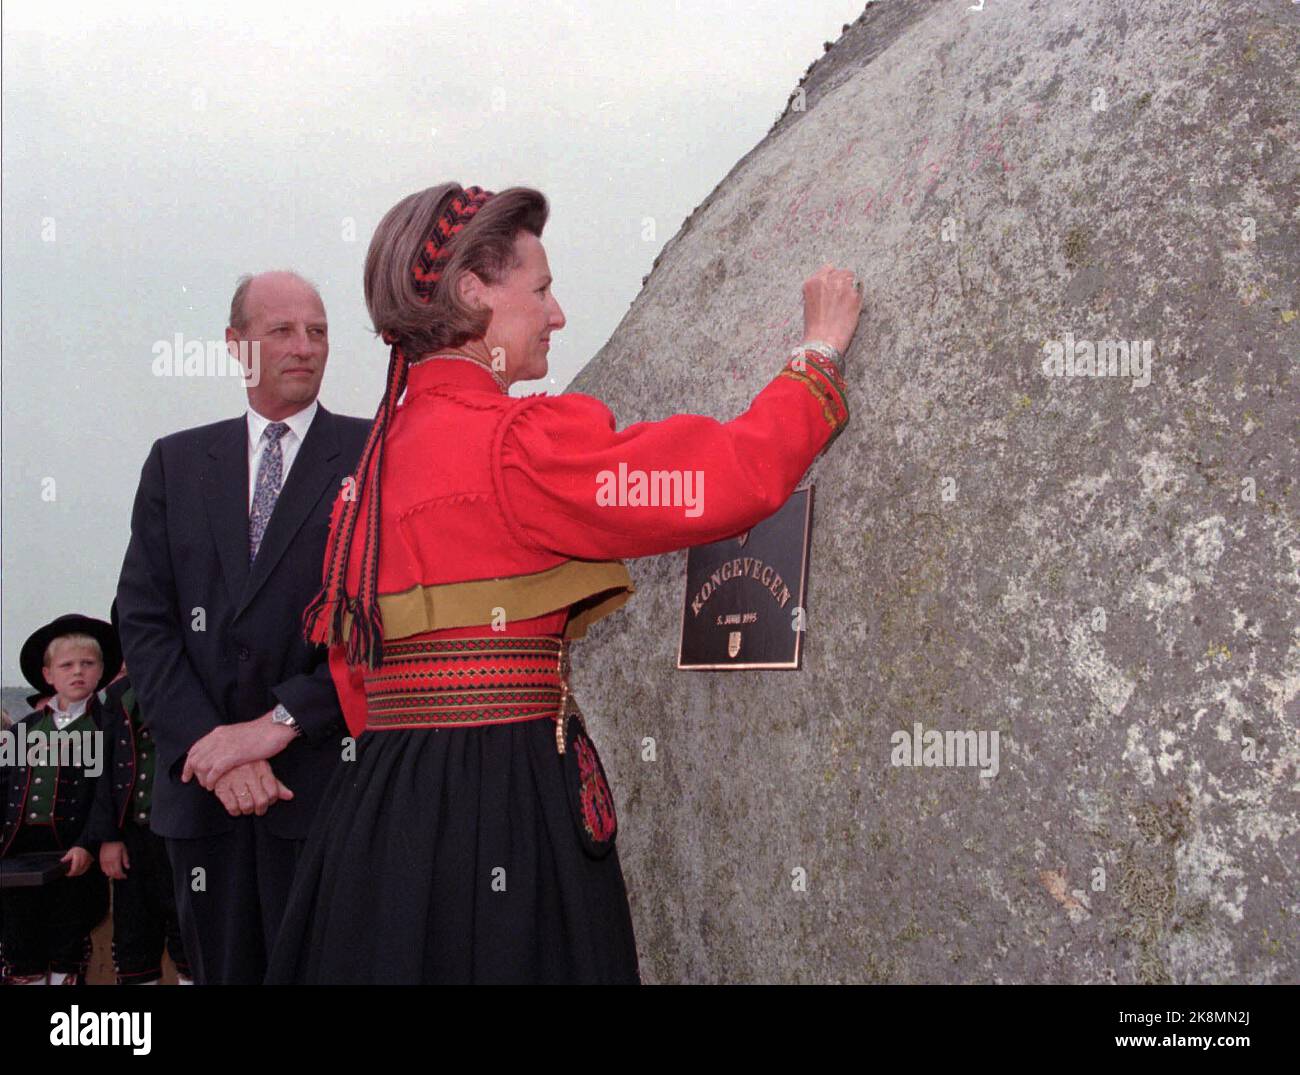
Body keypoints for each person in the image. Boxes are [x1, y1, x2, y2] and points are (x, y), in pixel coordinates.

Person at [265, 183, 860, 984]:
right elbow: (721, 481)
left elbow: (355, 673)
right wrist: (816, 357)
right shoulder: (514, 444)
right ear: (474, 289)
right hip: (499, 805)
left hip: (376, 821)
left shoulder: (369, 464)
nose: (557, 314)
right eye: (540, 289)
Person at [114, 271, 371, 983]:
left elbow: (387, 621)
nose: (305, 346)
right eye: (281, 330)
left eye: (318, 330)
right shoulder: (177, 462)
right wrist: (215, 747)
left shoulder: (375, 454)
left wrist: (282, 722)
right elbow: (142, 618)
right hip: (206, 805)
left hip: (326, 792)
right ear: (235, 345)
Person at [1, 614, 118, 984]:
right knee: (20, 943)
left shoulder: (108, 727)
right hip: (18, 855)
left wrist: (87, 844)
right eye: (67, 665)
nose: (78, 672)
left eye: (88, 664)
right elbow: (4, 785)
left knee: (68, 941)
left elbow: (108, 793)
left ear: (102, 671)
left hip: (73, 854)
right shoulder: (25, 729)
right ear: (49, 675)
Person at [85, 600, 194, 985]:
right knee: (133, 936)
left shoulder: (198, 686)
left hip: (187, 833)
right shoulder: (116, 699)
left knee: (191, 932)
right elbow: (102, 773)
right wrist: (108, 838)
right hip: (133, 836)